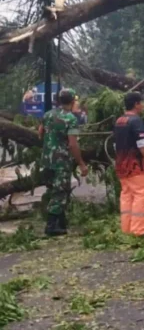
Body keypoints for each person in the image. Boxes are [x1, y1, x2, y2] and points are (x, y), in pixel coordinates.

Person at [38, 89, 88, 236]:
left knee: (54, 188)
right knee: (60, 192)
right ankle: (51, 226)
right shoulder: (71, 119)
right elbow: (73, 144)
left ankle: (61, 223)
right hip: (62, 160)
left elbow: (40, 133)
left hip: (47, 159)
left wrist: (50, 142)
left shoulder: (48, 115)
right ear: (72, 101)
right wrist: (81, 163)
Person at [114, 92, 144, 236]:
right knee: (142, 194)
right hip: (135, 166)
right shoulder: (136, 121)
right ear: (136, 104)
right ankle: (139, 230)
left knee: (127, 196)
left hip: (121, 165)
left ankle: (126, 229)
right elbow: (142, 146)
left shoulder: (119, 120)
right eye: (142, 103)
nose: (143, 105)